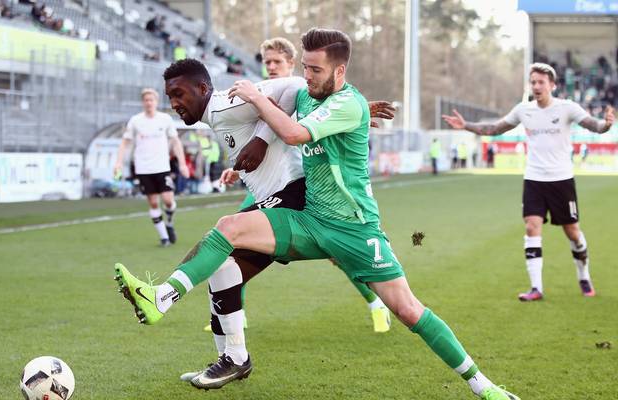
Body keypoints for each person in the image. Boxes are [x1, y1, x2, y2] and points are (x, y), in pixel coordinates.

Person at [114, 29, 519, 400]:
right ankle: (169, 304)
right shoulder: (308, 92)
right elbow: (287, 100)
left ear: (339, 70)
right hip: (309, 218)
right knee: (228, 235)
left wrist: (256, 96)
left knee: (409, 310)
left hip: (354, 228)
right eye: (304, 66)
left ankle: (483, 386)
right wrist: (258, 133)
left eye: (315, 68)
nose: (305, 74)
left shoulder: (347, 103)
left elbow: (291, 131)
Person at [209, 36, 393, 335]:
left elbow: (323, 114)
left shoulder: (300, 89)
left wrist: (361, 110)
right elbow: (256, 136)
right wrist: (235, 168)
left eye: (277, 62)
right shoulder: (267, 91)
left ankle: (375, 301)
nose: (270, 67)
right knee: (235, 241)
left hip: (299, 183)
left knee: (337, 254)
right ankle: (231, 314)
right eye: (266, 61)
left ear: (291, 65)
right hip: (267, 182)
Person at [443, 62, 614, 301]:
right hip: (533, 179)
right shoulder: (524, 110)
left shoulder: (567, 108)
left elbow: (594, 126)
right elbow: (494, 128)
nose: (536, 86)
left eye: (541, 82)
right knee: (532, 226)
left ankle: (584, 275)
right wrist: (466, 125)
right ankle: (536, 288)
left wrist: (606, 124)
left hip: (561, 180)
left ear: (552, 85)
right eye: (533, 82)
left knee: (572, 232)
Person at [114, 88, 189, 246]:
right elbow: (125, 142)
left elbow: (175, 141)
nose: (149, 102)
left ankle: (169, 223)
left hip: (162, 167)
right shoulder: (136, 121)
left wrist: (182, 164)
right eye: (146, 100)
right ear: (143, 102)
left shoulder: (165, 119)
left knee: (168, 200)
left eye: (151, 100)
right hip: (143, 168)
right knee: (154, 202)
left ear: (156, 102)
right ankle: (164, 238)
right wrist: (118, 162)